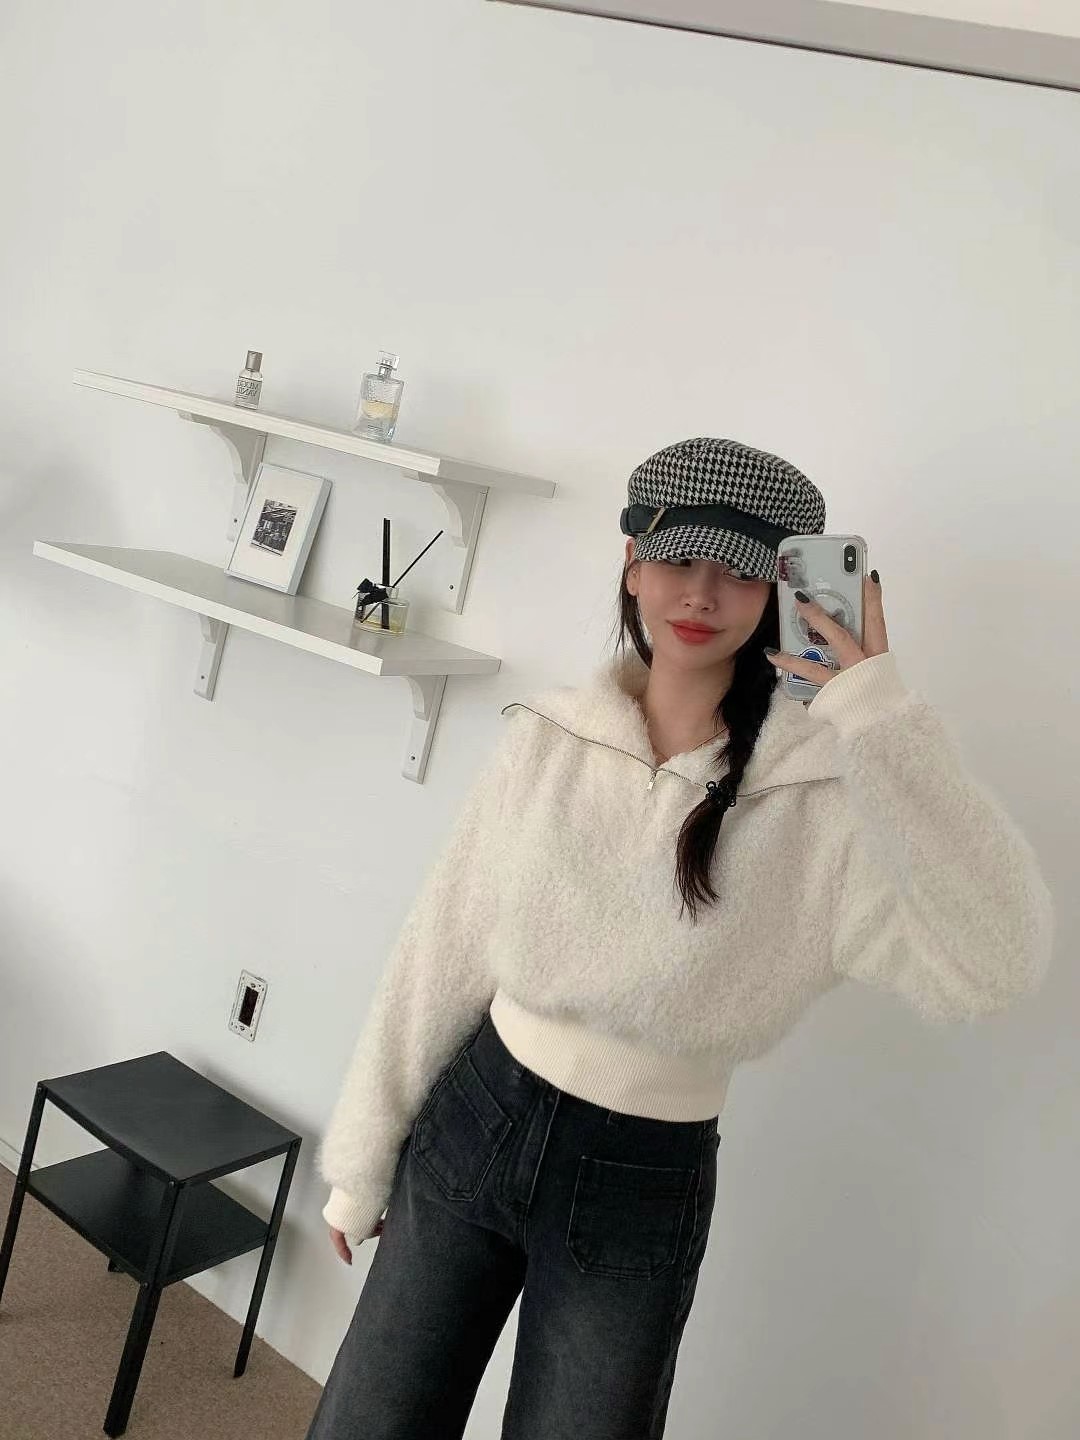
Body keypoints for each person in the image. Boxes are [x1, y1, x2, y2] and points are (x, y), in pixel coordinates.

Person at [305, 437, 1054, 1440]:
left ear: (782, 591)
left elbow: (998, 962)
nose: (702, 592)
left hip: (643, 1177)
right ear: (632, 563)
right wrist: (363, 1155)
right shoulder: (551, 736)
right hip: (476, 1119)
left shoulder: (821, 802)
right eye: (678, 558)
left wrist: (876, 713)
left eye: (740, 570)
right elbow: (441, 948)